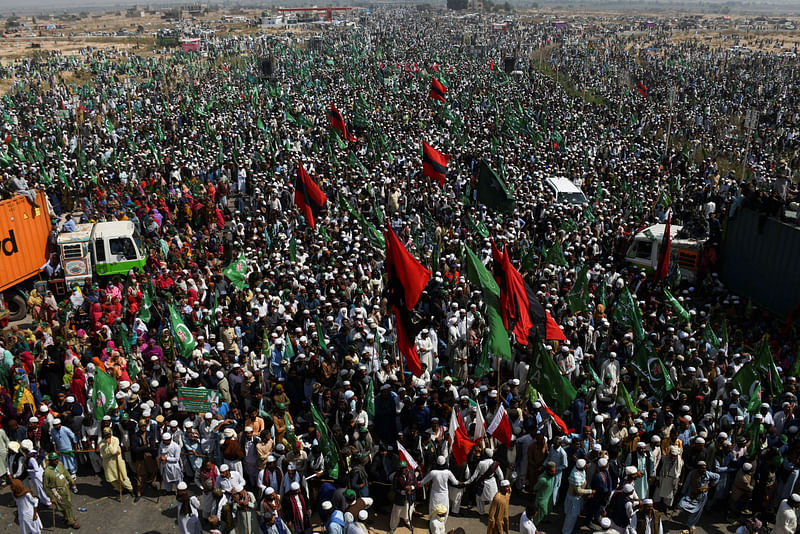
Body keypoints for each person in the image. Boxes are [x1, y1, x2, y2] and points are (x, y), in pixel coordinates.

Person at [679, 461, 720, 533]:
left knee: (697, 512)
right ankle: (686, 518)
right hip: (691, 494)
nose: (704, 470)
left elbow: (717, 476)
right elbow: (687, 483)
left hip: (702, 497)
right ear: (698, 468)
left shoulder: (708, 474)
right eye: (702, 468)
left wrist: (710, 485)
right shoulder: (692, 474)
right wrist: (683, 492)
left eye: (705, 468)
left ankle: (691, 524)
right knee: (681, 504)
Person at [42, 452, 80, 530]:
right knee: (67, 506)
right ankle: (71, 521)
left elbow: (66, 473)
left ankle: (67, 516)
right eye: (54, 460)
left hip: (65, 488)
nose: (56, 461)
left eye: (57, 459)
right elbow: (46, 487)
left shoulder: (60, 464)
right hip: (57, 492)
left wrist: (71, 481)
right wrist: (51, 497)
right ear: (50, 461)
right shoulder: (47, 472)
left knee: (65, 505)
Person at [465, 448, 503, 515]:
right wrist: (502, 484)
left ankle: (481, 512)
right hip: (492, 483)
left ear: (485, 455)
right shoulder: (495, 463)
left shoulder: (481, 463)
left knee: (479, 499)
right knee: (493, 499)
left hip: (482, 483)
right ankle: (493, 513)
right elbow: (500, 475)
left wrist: (466, 482)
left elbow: (474, 476)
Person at [98, 426, 133, 495]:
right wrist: (111, 454)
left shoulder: (115, 439)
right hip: (108, 464)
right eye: (106, 434)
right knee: (112, 480)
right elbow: (102, 455)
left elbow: (113, 451)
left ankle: (130, 489)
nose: (108, 436)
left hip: (117, 463)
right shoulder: (101, 443)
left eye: (109, 434)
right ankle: (121, 489)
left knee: (123, 478)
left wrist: (109, 444)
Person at [562, 459, 593, 534]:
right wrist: (590, 491)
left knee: (574, 516)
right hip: (574, 498)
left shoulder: (579, 469)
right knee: (571, 517)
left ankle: (570, 529)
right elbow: (578, 491)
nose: (586, 466)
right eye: (585, 465)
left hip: (578, 498)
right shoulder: (575, 476)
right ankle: (566, 532)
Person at [389, 461, 417, 534]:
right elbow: (395, 488)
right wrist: (403, 492)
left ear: (407, 468)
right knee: (396, 513)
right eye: (401, 468)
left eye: (404, 468)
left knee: (409, 512)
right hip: (400, 499)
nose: (402, 470)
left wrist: (411, 487)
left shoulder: (412, 473)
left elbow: (415, 484)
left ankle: (408, 523)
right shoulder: (396, 476)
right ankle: (393, 527)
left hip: (410, 498)